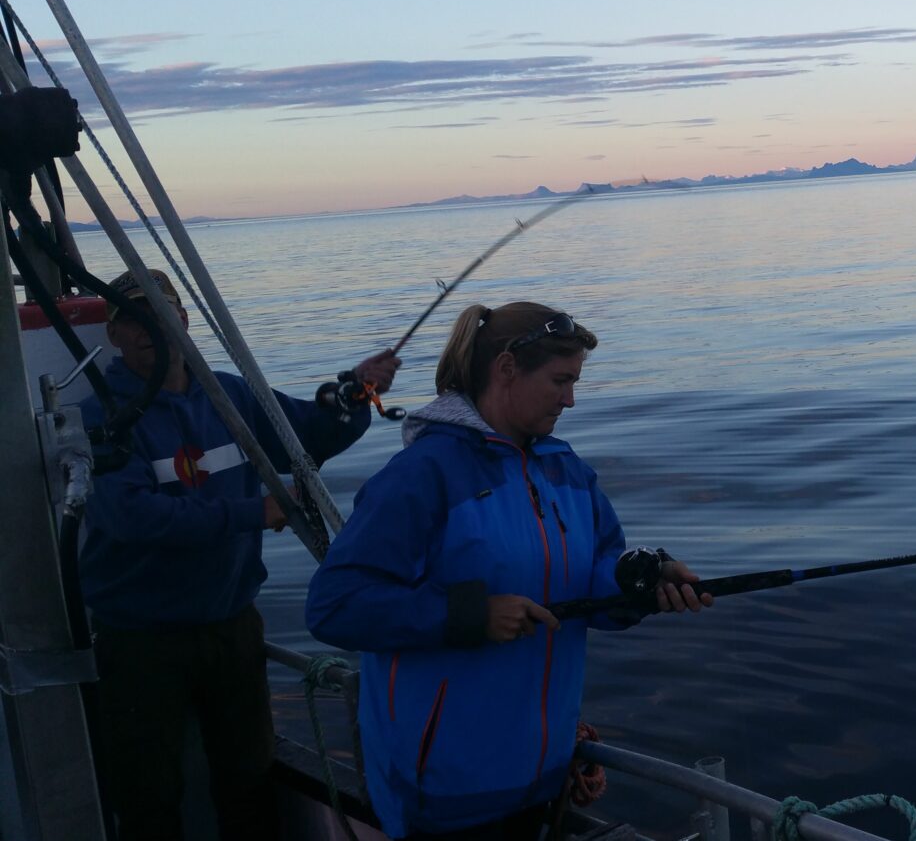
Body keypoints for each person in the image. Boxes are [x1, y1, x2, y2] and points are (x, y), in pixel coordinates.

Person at [306, 302, 713, 840]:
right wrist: (469, 615)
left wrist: (638, 579)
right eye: (560, 381)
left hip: (540, 779)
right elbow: (335, 604)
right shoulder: (422, 476)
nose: (571, 398)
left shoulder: (566, 469)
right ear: (505, 370)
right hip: (444, 792)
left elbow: (594, 568)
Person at [81, 267, 399, 841]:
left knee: (248, 780)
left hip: (232, 627)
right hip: (138, 642)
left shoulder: (228, 394)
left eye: (163, 308)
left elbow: (308, 433)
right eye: (133, 315)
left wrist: (354, 389)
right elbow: (129, 517)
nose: (152, 323)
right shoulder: (101, 414)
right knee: (147, 795)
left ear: (184, 317)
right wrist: (257, 513)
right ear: (115, 335)